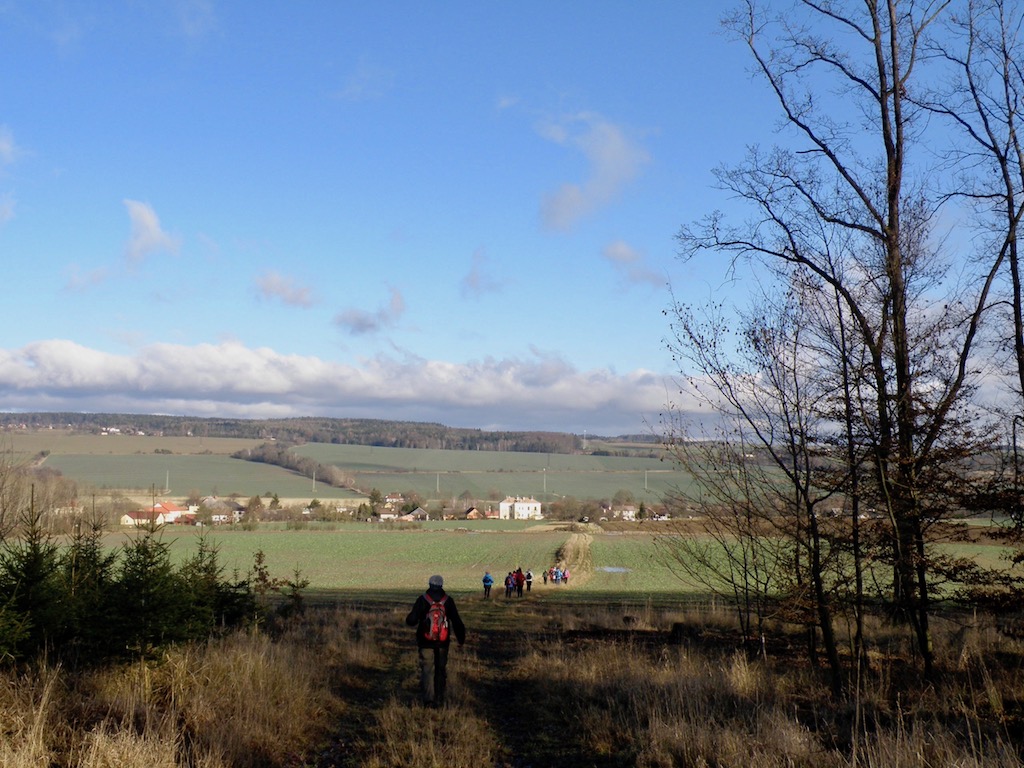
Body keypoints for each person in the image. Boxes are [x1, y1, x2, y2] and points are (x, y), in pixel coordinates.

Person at [405, 575, 466, 708]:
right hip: (443, 643)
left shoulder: (422, 599)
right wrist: (461, 639)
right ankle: (439, 698)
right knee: (440, 669)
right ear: (441, 585)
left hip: (425, 642)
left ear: (429, 584)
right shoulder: (448, 601)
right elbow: (456, 621)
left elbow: (411, 620)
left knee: (427, 669)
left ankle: (428, 700)